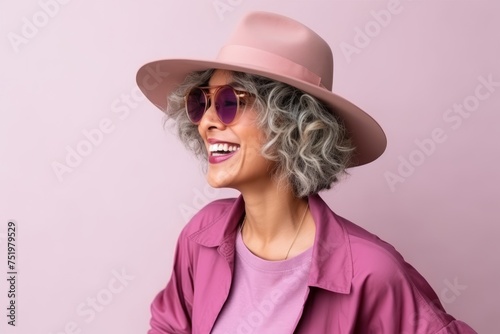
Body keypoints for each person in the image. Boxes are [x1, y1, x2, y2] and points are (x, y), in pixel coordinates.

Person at [136, 11, 476, 334]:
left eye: (228, 102)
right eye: (201, 102)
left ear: (292, 124)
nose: (207, 121)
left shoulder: (371, 271)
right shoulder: (201, 237)